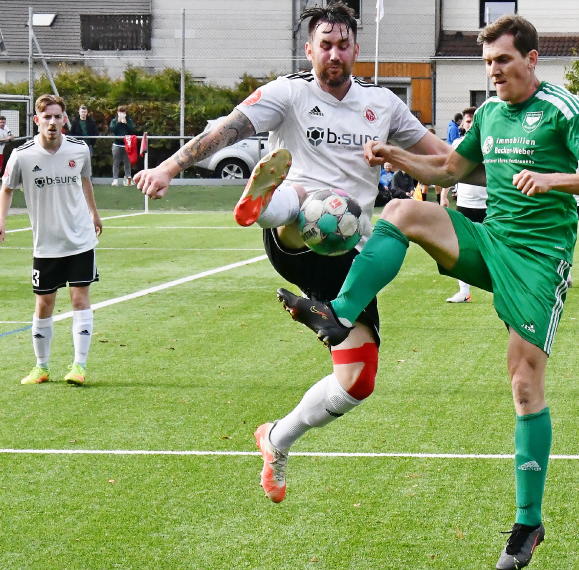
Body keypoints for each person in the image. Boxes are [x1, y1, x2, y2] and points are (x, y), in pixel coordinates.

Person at [280, 14, 579, 569]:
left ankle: (528, 525)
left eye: (504, 62)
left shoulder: (563, 108)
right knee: (402, 211)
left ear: (531, 59)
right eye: (488, 64)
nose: (494, 73)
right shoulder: (488, 114)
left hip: (539, 261)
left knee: (523, 383)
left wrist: (556, 179)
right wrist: (396, 157)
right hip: (490, 239)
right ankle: (340, 312)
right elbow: (448, 169)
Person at [132, 0, 450, 511]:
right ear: (310, 49)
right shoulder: (290, 93)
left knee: (358, 380)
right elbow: (226, 130)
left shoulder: (383, 106)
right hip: (295, 238)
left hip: (352, 256)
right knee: (308, 205)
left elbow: (443, 157)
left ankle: (276, 439)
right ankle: (263, 203)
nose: (334, 54)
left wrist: (506, 175)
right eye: (325, 45)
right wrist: (169, 167)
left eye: (342, 45)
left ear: (355, 49)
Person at [0, 94, 102, 386]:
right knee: (44, 304)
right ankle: (41, 367)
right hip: (46, 243)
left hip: (79, 239)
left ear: (65, 119)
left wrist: (93, 213)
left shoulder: (79, 150)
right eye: (46, 117)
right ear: (37, 120)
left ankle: (79, 366)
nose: (52, 122)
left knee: (79, 298)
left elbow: (85, 180)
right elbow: (6, 189)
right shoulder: (22, 155)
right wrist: (0, 221)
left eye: (57, 116)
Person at [440, 106, 487, 303]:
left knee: (493, 248)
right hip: (465, 204)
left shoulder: (488, 143)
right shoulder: (457, 144)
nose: (470, 124)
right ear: (463, 125)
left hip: (489, 204)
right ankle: (464, 292)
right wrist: (444, 195)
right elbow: (449, 171)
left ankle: (505, 289)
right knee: (462, 248)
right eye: (467, 121)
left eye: (473, 121)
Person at [109, 105, 136, 186]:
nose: (122, 114)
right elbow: (112, 130)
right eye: (120, 112)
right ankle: (115, 180)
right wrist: (118, 122)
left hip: (127, 145)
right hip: (117, 145)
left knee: (127, 163)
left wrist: (126, 123)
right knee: (116, 163)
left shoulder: (129, 120)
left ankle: (128, 179)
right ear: (117, 113)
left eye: (123, 113)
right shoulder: (114, 120)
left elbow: (133, 130)